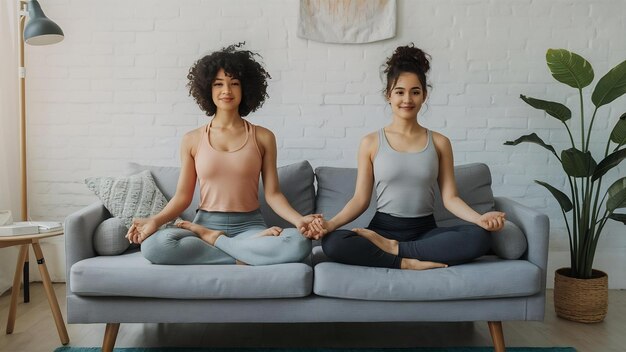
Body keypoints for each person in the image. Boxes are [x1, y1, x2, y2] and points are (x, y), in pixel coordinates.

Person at [305, 44, 505, 270]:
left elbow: (451, 198)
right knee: (333, 242)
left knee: (479, 237)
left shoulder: (440, 142)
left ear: (424, 96)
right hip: (382, 230)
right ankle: (406, 262)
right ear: (388, 96)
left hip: (425, 232)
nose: (407, 99)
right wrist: (331, 225)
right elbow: (360, 200)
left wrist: (480, 219)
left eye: (415, 92)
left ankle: (396, 251)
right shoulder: (370, 142)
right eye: (399, 92)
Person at [126, 43, 314, 266]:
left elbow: (273, 194)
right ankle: (245, 252)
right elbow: (182, 197)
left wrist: (299, 220)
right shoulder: (192, 139)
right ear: (208, 89)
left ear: (245, 89)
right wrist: (154, 221)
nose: (227, 91)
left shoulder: (263, 137)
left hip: (250, 227)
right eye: (218, 84)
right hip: (204, 222)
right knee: (154, 246)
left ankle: (219, 242)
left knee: (298, 243)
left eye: (234, 83)